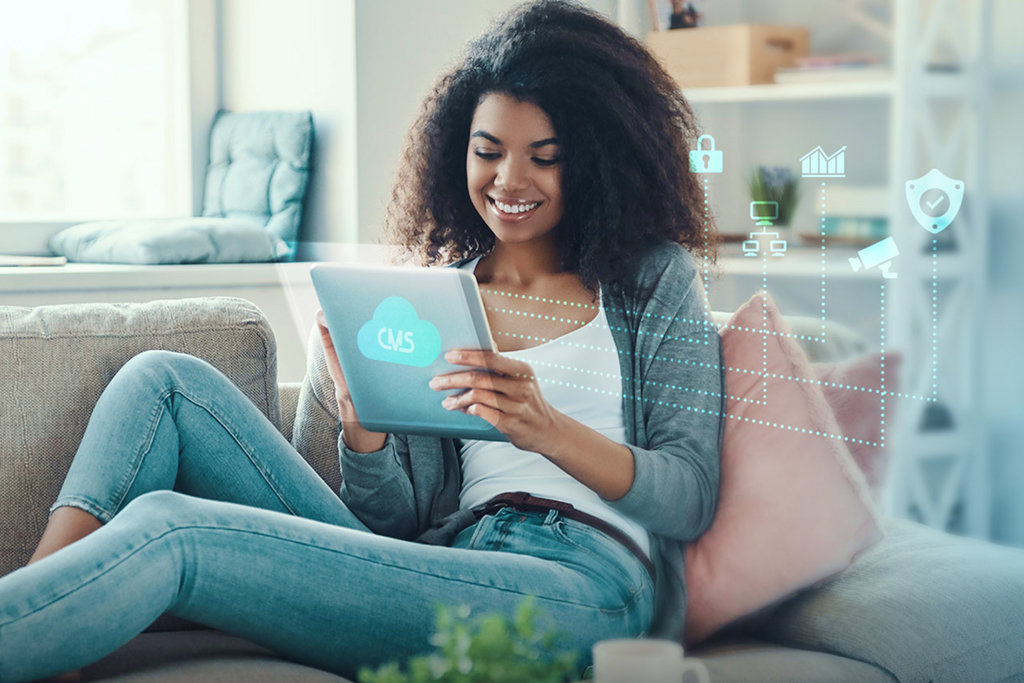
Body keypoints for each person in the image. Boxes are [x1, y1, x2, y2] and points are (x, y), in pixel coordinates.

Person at [0, 1, 724, 680]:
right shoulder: (436, 298)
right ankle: (45, 625)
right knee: (161, 380)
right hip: (445, 558)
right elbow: (394, 525)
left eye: (545, 154)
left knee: (173, 526)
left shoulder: (649, 280)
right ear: (457, 153)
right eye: (488, 150)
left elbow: (690, 496)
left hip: (586, 585)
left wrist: (547, 431)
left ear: (596, 159)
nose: (510, 179)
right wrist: (362, 431)